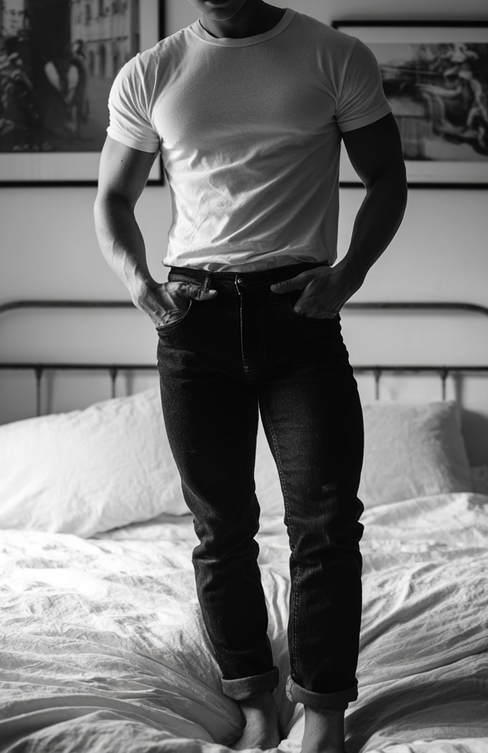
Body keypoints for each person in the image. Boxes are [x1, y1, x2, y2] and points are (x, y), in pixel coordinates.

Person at [93, 2, 406, 751]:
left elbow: (386, 180)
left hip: (299, 312)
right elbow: (113, 198)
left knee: (326, 521)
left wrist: (350, 273)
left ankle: (324, 707)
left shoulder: (334, 56)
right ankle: (255, 697)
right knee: (220, 527)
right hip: (193, 317)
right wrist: (140, 283)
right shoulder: (152, 71)